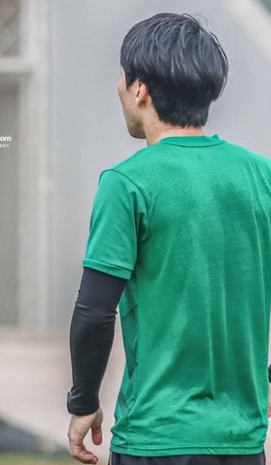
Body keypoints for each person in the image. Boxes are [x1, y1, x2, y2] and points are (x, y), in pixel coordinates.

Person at [66, 12, 271, 465]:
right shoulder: (263, 176)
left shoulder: (127, 183)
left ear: (140, 89)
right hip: (243, 440)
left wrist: (83, 402)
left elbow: (94, 311)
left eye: (122, 76)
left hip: (156, 437)